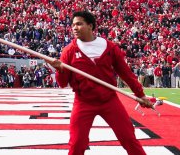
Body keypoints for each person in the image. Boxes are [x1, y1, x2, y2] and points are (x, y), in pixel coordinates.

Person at [49, 11, 153, 155]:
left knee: (128, 138)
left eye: (79, 24)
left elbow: (126, 74)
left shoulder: (109, 47)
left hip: (109, 100)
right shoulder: (69, 51)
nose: (74, 28)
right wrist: (59, 70)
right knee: (77, 143)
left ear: (90, 26)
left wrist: (140, 95)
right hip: (83, 102)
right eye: (73, 25)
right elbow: (62, 83)